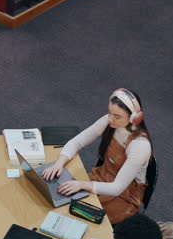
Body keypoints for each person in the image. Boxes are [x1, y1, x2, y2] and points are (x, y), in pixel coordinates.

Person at [41, 88, 152, 224]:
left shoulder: (140, 146)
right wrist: (59, 162)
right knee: (60, 200)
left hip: (124, 196)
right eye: (109, 112)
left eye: (117, 116)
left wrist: (83, 184)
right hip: (102, 176)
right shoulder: (110, 121)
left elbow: (117, 188)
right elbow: (77, 141)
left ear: (135, 118)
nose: (110, 119)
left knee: (77, 215)